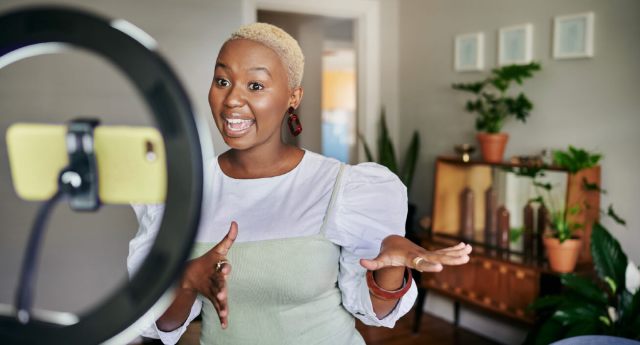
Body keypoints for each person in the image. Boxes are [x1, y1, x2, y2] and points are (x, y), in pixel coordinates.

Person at [127, 22, 472, 345]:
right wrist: (187, 280)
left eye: (256, 85)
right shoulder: (187, 192)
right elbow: (164, 326)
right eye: (222, 81)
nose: (232, 99)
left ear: (293, 97)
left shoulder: (340, 186)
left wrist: (392, 265)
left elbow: (375, 312)